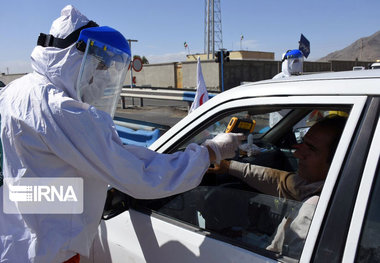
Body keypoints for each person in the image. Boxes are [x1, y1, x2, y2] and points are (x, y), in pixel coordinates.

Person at [0, 5, 243, 263]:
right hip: (49, 253)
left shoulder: (18, 91)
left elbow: (33, 175)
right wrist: (209, 152)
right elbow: (141, 174)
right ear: (73, 56)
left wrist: (92, 192)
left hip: (15, 238)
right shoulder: (62, 110)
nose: (96, 79)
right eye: (96, 67)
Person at [208, 115, 347, 257]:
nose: (298, 153)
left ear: (339, 159)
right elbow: (279, 181)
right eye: (302, 143)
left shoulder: (313, 209)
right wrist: (229, 166)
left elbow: (289, 258)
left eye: (310, 149)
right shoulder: (321, 184)